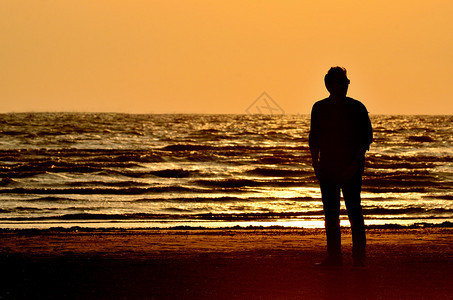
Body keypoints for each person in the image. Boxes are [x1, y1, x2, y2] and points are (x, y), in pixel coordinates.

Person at [309, 67, 373, 267]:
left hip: (351, 167)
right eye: (340, 81)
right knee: (331, 213)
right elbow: (314, 138)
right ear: (329, 85)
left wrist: (356, 163)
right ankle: (334, 256)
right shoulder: (319, 108)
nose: (344, 84)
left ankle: (359, 255)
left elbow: (366, 138)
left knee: (354, 211)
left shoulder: (357, 108)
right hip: (328, 167)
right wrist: (315, 163)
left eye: (345, 81)